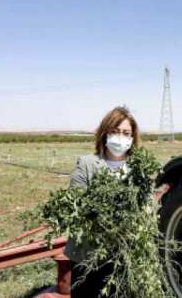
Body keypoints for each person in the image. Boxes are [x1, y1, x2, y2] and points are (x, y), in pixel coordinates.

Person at [63, 106, 141, 297]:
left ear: (132, 138)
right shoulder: (87, 163)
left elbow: (147, 205)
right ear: (105, 134)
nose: (120, 137)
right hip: (88, 257)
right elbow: (75, 205)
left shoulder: (139, 168)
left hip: (125, 258)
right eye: (114, 132)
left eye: (125, 133)